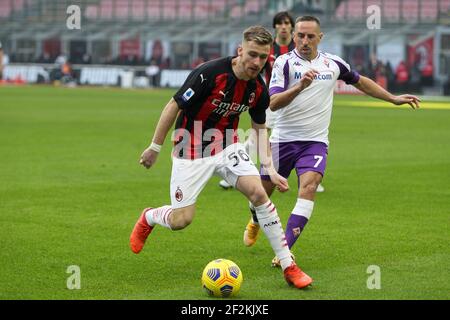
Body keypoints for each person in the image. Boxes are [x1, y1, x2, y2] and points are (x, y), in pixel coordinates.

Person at [129, 26, 313, 289]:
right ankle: (149, 217)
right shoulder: (209, 73)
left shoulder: (258, 89)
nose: (257, 62)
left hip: (227, 147)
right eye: (252, 55)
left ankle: (288, 265)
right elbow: (173, 105)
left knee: (259, 194)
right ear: (240, 51)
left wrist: (270, 169)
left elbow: (260, 129)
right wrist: (154, 147)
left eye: (263, 57)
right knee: (182, 220)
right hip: (190, 151)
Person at [243, 16, 420, 267]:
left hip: (315, 142)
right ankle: (254, 219)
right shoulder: (284, 63)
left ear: (320, 37)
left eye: (310, 36)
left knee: (309, 187)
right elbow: (273, 102)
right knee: (261, 195)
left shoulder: (333, 63)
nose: (305, 41)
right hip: (282, 140)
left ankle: (284, 251)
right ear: (294, 37)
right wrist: (300, 87)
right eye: (300, 36)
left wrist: (392, 98)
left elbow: (361, 82)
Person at [218, 12, 329, 192]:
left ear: (292, 27)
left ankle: (309, 174)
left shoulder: (300, 47)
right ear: (276, 26)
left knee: (301, 134)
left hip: (296, 101)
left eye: (287, 23)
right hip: (274, 100)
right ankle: (234, 169)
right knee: (258, 136)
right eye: (280, 23)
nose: (283, 26)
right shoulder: (269, 49)